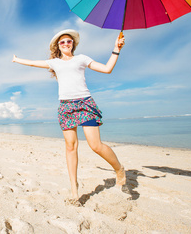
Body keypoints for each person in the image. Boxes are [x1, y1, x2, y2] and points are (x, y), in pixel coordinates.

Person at [12, 29, 126, 206]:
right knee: (70, 146)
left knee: (95, 145)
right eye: (62, 42)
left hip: (85, 104)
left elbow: (107, 69)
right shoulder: (54, 63)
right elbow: (34, 63)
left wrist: (116, 49)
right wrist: (16, 59)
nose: (66, 44)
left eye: (69, 41)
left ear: (73, 44)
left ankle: (119, 169)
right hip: (66, 106)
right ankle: (74, 190)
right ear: (58, 46)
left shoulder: (82, 59)